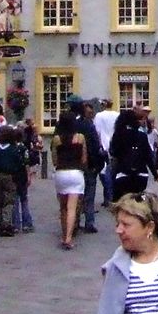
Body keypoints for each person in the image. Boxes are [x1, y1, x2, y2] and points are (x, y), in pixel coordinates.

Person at [52, 95, 89, 250]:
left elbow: (54, 160)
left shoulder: (56, 139)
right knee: (72, 208)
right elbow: (84, 158)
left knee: (63, 207)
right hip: (76, 173)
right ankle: (68, 237)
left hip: (61, 173)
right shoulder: (80, 137)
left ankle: (63, 234)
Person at [0, 123, 29, 238]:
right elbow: (19, 164)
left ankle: (0, 223)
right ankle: (6, 224)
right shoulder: (13, 149)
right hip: (10, 177)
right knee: (9, 201)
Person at [109, 107, 156, 200]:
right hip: (141, 174)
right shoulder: (142, 136)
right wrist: (156, 174)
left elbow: (113, 153)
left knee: (121, 201)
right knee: (138, 200)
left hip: (123, 173)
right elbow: (148, 157)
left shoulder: (118, 135)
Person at [79, 101, 105, 234]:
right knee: (89, 194)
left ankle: (77, 221)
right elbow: (95, 146)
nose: (91, 114)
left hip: (78, 164)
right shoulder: (89, 126)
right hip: (89, 165)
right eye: (89, 112)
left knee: (80, 195)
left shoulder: (77, 124)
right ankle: (89, 222)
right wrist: (97, 164)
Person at [94, 98, 120, 205]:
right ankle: (109, 197)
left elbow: (97, 132)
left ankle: (109, 196)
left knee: (104, 172)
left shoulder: (99, 116)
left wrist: (99, 145)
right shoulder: (117, 115)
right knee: (112, 171)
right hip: (115, 145)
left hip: (104, 146)